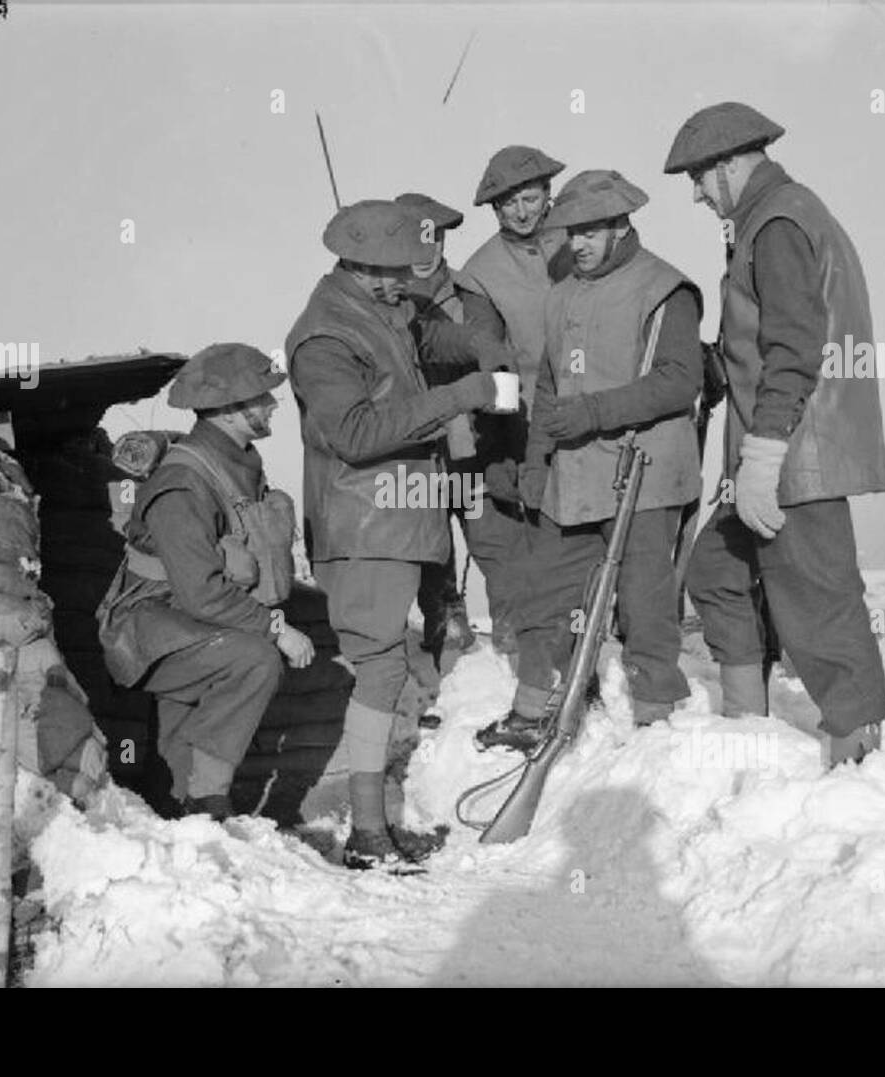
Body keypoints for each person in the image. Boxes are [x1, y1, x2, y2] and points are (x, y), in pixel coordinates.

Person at [663, 102, 885, 765]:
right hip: (778, 448)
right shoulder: (773, 216)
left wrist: (763, 455)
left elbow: (794, 347)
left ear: (732, 164)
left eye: (700, 179)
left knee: (819, 598)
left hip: (795, 452)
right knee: (714, 568)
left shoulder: (779, 223)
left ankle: (859, 754)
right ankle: (747, 723)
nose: (698, 195)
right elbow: (761, 340)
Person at [285, 199, 510, 869]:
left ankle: (372, 825)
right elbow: (353, 434)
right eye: (381, 273)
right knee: (381, 669)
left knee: (389, 670)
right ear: (347, 264)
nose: (396, 284)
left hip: (399, 520)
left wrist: (484, 348)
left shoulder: (380, 307)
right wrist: (463, 395)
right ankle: (367, 833)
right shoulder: (325, 337)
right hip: (363, 526)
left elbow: (427, 338)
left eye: (399, 271)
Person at [480, 169, 704, 747]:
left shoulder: (665, 289)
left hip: (644, 476)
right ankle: (535, 713)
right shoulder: (560, 297)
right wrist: (536, 464)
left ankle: (657, 721)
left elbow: (680, 381)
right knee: (544, 594)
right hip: (571, 477)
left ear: (620, 226)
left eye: (587, 233)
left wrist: (595, 412)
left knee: (644, 602)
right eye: (568, 233)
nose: (574, 244)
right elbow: (551, 395)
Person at [96, 344, 315, 821]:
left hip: (193, 621)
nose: (273, 405)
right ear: (229, 410)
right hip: (149, 625)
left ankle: (181, 812)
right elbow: (200, 591)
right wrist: (276, 628)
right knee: (254, 659)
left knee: (183, 737)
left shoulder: (238, 462)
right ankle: (209, 799)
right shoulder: (183, 484)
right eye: (261, 399)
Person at [456, 144, 573, 716]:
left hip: (600, 408)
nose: (524, 212)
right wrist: (505, 440)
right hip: (532, 422)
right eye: (509, 205)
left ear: (549, 194)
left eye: (531, 199)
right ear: (494, 210)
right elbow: (488, 353)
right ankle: (535, 671)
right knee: (540, 548)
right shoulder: (480, 273)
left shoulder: (582, 237)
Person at [395, 190, 522, 667]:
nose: (428, 248)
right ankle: (446, 634)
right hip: (410, 445)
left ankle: (513, 632)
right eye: (418, 236)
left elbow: (489, 351)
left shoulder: (470, 294)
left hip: (470, 439)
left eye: (437, 236)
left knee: (495, 540)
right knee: (430, 548)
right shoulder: (383, 299)